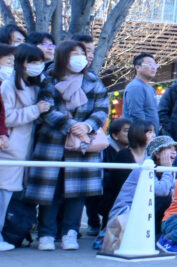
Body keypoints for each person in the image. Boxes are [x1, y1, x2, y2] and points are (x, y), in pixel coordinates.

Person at [27, 40, 109, 251]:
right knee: (50, 190)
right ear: (63, 56)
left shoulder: (93, 80)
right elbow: (46, 108)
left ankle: (70, 232)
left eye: (82, 52)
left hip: (83, 144)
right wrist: (71, 125)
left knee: (77, 192)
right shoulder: (49, 79)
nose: (80, 57)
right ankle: (46, 233)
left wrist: (87, 126)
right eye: (74, 53)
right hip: (53, 142)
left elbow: (102, 108)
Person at [0, 44, 49, 251]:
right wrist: (35, 110)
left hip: (22, 150)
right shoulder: (8, 86)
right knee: (3, 195)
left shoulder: (35, 85)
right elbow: (6, 117)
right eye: (33, 61)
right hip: (9, 150)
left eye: (40, 61)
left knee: (9, 196)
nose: (37, 65)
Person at [122, 52, 160, 133]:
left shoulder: (150, 88)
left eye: (155, 65)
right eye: (149, 64)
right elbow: (136, 115)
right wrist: (146, 133)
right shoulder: (135, 87)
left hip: (151, 135)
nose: (153, 67)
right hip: (142, 135)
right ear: (137, 67)